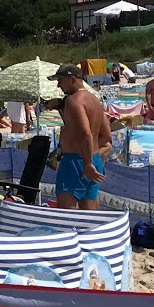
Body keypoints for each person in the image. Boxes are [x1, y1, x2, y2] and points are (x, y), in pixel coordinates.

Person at [53, 65, 112, 210]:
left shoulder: (73, 101)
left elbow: (86, 133)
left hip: (76, 162)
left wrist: (85, 163)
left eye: (60, 80)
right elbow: (106, 136)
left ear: (72, 79)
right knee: (89, 217)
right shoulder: (95, 101)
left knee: (69, 217)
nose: (58, 85)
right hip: (94, 159)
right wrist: (92, 155)